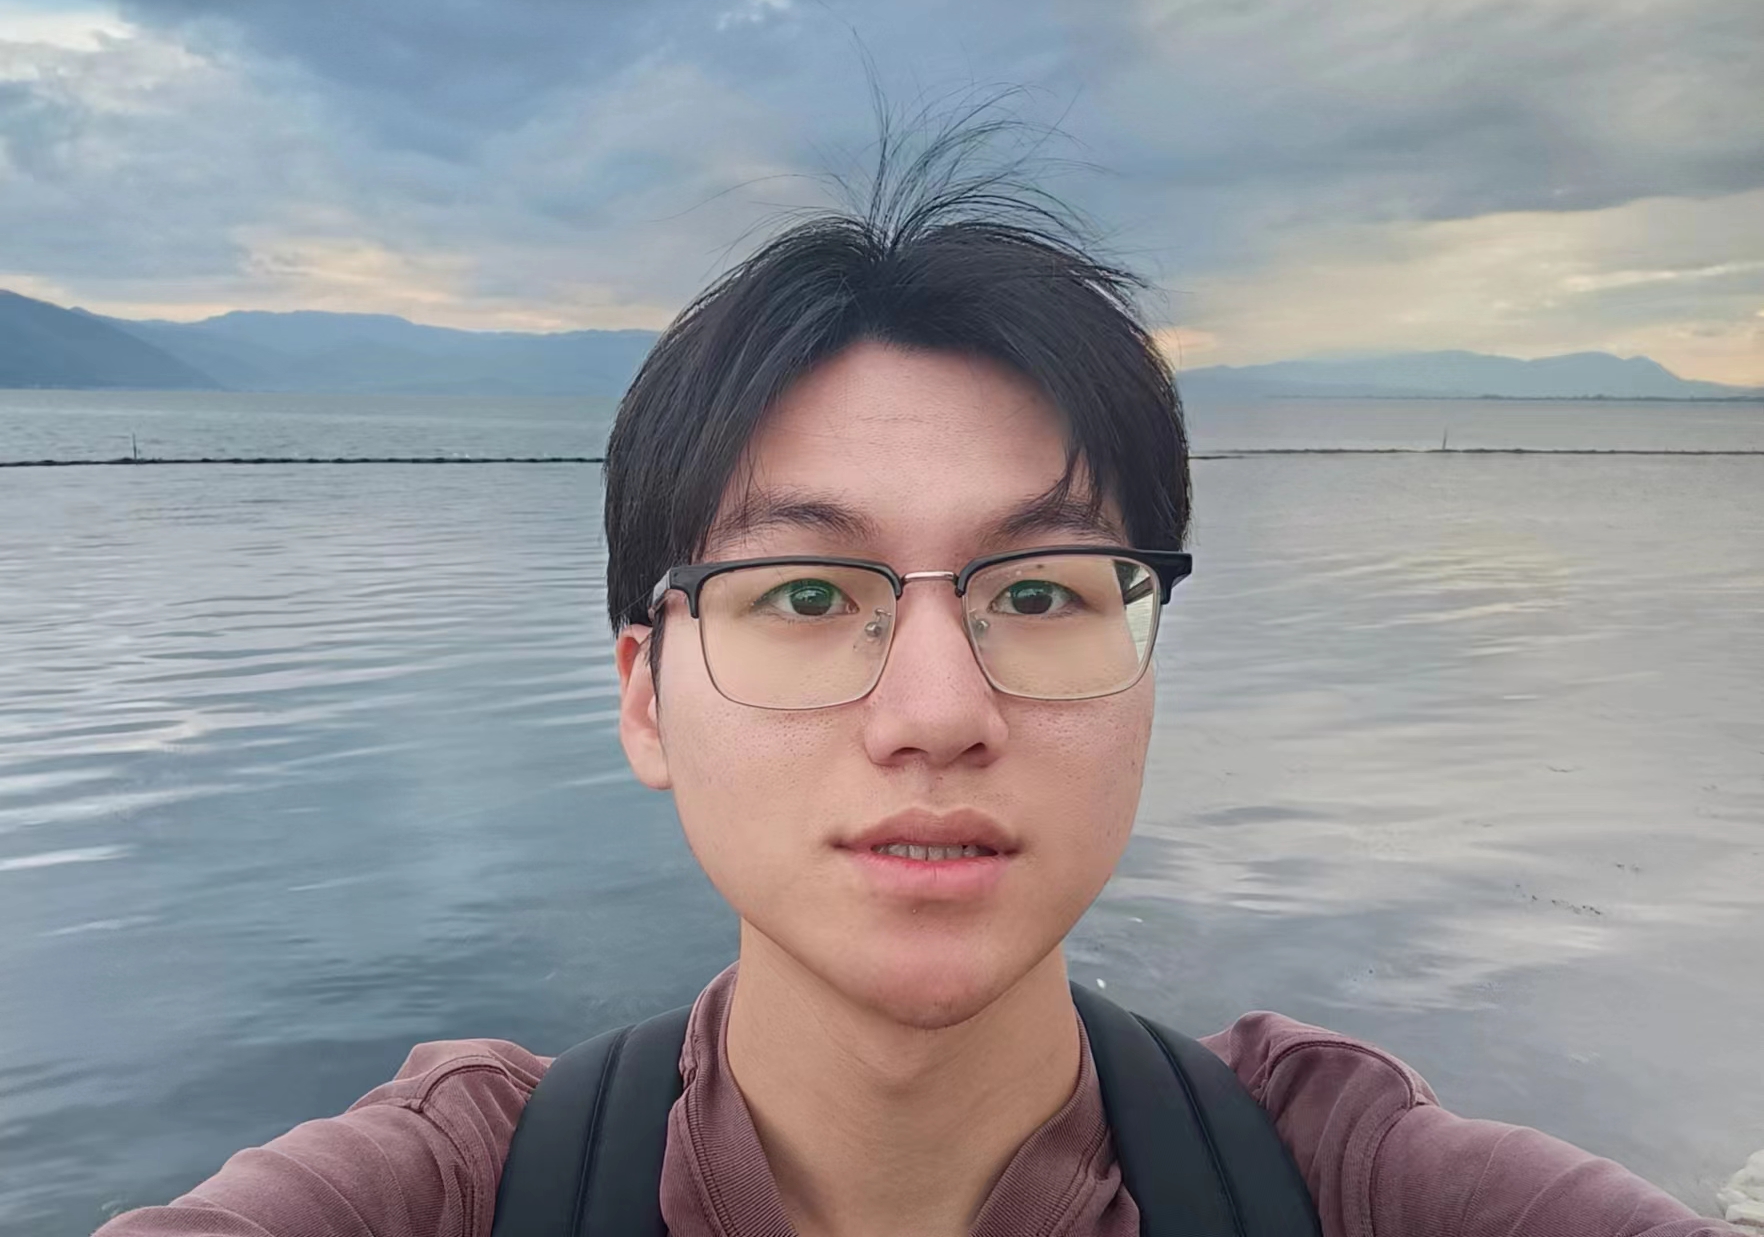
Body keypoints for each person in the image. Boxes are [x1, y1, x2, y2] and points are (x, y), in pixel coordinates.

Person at [95, 126, 1740, 1237]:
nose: (939, 711)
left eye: (1040, 591)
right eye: (809, 593)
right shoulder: (460, 1190)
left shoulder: (1340, 1181)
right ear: (646, 696)